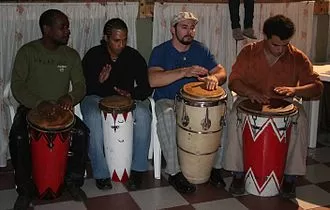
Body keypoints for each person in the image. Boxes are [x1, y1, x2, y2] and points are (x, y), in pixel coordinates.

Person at [222, 14, 324, 198]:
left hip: (285, 103)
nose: (280, 50)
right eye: (276, 45)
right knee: (234, 115)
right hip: (249, 100)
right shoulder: (249, 52)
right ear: (266, 37)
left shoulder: (297, 57)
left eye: (285, 45)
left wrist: (295, 90)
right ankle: (237, 174)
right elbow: (234, 82)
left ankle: (290, 178)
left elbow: (317, 87)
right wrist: (250, 92)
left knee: (300, 118)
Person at [9, 9, 89, 210]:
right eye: (62, 27)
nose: (67, 31)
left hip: (61, 111)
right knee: (18, 138)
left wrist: (69, 97)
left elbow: (80, 85)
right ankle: (25, 190)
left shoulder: (71, 55)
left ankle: (72, 182)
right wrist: (38, 103)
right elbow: (17, 86)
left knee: (81, 133)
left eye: (67, 27)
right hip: (30, 110)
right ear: (47, 29)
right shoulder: (27, 52)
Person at [148, 11, 227, 194]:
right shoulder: (160, 51)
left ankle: (215, 167)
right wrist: (185, 72)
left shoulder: (201, 49)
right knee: (167, 115)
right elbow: (153, 80)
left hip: (198, 103)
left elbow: (222, 72)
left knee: (225, 115)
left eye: (192, 28)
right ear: (172, 30)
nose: (189, 32)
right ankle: (175, 173)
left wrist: (214, 78)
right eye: (184, 27)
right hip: (168, 100)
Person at [80, 18, 153, 191]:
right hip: (96, 97)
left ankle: (138, 169)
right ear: (106, 38)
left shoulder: (133, 56)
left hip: (127, 101)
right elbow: (82, 88)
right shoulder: (94, 55)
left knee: (143, 114)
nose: (121, 45)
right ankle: (101, 172)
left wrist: (131, 94)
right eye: (116, 40)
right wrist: (98, 81)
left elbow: (146, 87)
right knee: (92, 116)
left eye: (124, 40)